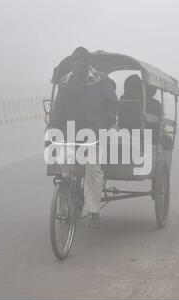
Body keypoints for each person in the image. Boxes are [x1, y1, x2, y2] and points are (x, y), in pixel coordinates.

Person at [51, 47, 118, 227]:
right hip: (71, 133)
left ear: (87, 63)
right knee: (64, 165)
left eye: (82, 62)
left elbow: (113, 106)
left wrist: (105, 123)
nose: (79, 66)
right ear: (73, 64)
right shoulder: (65, 82)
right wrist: (55, 129)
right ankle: (68, 198)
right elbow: (58, 109)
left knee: (93, 169)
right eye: (76, 62)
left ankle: (93, 210)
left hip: (94, 133)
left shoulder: (101, 80)